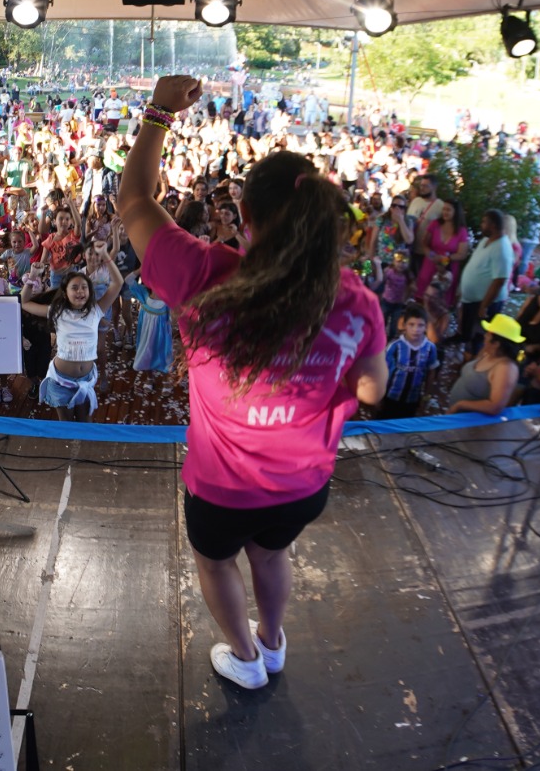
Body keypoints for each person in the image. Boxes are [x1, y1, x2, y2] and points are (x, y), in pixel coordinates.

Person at [118, 74, 388, 691]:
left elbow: (133, 201)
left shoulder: (204, 274)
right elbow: (372, 392)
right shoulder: (357, 302)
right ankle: (271, 643)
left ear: (244, 215)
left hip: (222, 491)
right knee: (273, 553)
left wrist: (159, 113)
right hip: (303, 485)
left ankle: (243, 656)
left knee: (216, 562)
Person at [18, 255, 122, 420]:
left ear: (89, 292)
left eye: (84, 287)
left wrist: (106, 255)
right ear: (65, 293)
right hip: (61, 382)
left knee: (85, 424)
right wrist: (33, 275)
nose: (80, 291)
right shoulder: (57, 312)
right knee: (66, 427)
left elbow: (118, 283)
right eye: (75, 287)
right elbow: (24, 302)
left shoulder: (96, 311)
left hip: (86, 381)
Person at [457, 209, 515, 353]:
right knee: (467, 331)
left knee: (479, 336)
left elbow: (500, 280)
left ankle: (473, 362)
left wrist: (484, 306)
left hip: (485, 302)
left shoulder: (501, 248)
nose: (481, 225)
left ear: (493, 225)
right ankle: (466, 355)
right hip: (472, 300)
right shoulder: (486, 240)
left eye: (484, 222)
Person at [446, 313, 523, 416]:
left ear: (496, 344)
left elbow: (495, 407)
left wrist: (460, 404)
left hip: (469, 422)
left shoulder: (506, 369)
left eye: (488, 333)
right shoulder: (487, 352)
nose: (485, 335)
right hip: (456, 415)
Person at [379, 304, 441, 419]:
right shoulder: (394, 346)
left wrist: (426, 396)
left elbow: (431, 373)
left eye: (420, 325)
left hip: (412, 399)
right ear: (404, 325)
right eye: (411, 324)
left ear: (426, 327)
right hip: (390, 396)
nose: (416, 330)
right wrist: (378, 395)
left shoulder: (430, 348)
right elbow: (383, 371)